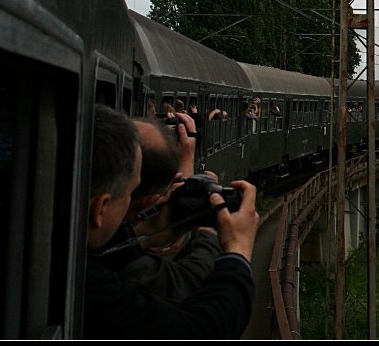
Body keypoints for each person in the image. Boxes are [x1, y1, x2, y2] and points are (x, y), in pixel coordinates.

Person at [85, 105, 260, 339]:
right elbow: (199, 332)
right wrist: (238, 252)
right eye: (129, 193)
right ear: (100, 209)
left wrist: (143, 234)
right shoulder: (95, 287)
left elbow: (98, 257)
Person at [122, 115, 222, 300]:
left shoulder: (96, 247)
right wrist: (211, 233)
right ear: (149, 203)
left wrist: (143, 236)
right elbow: (189, 285)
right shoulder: (129, 273)